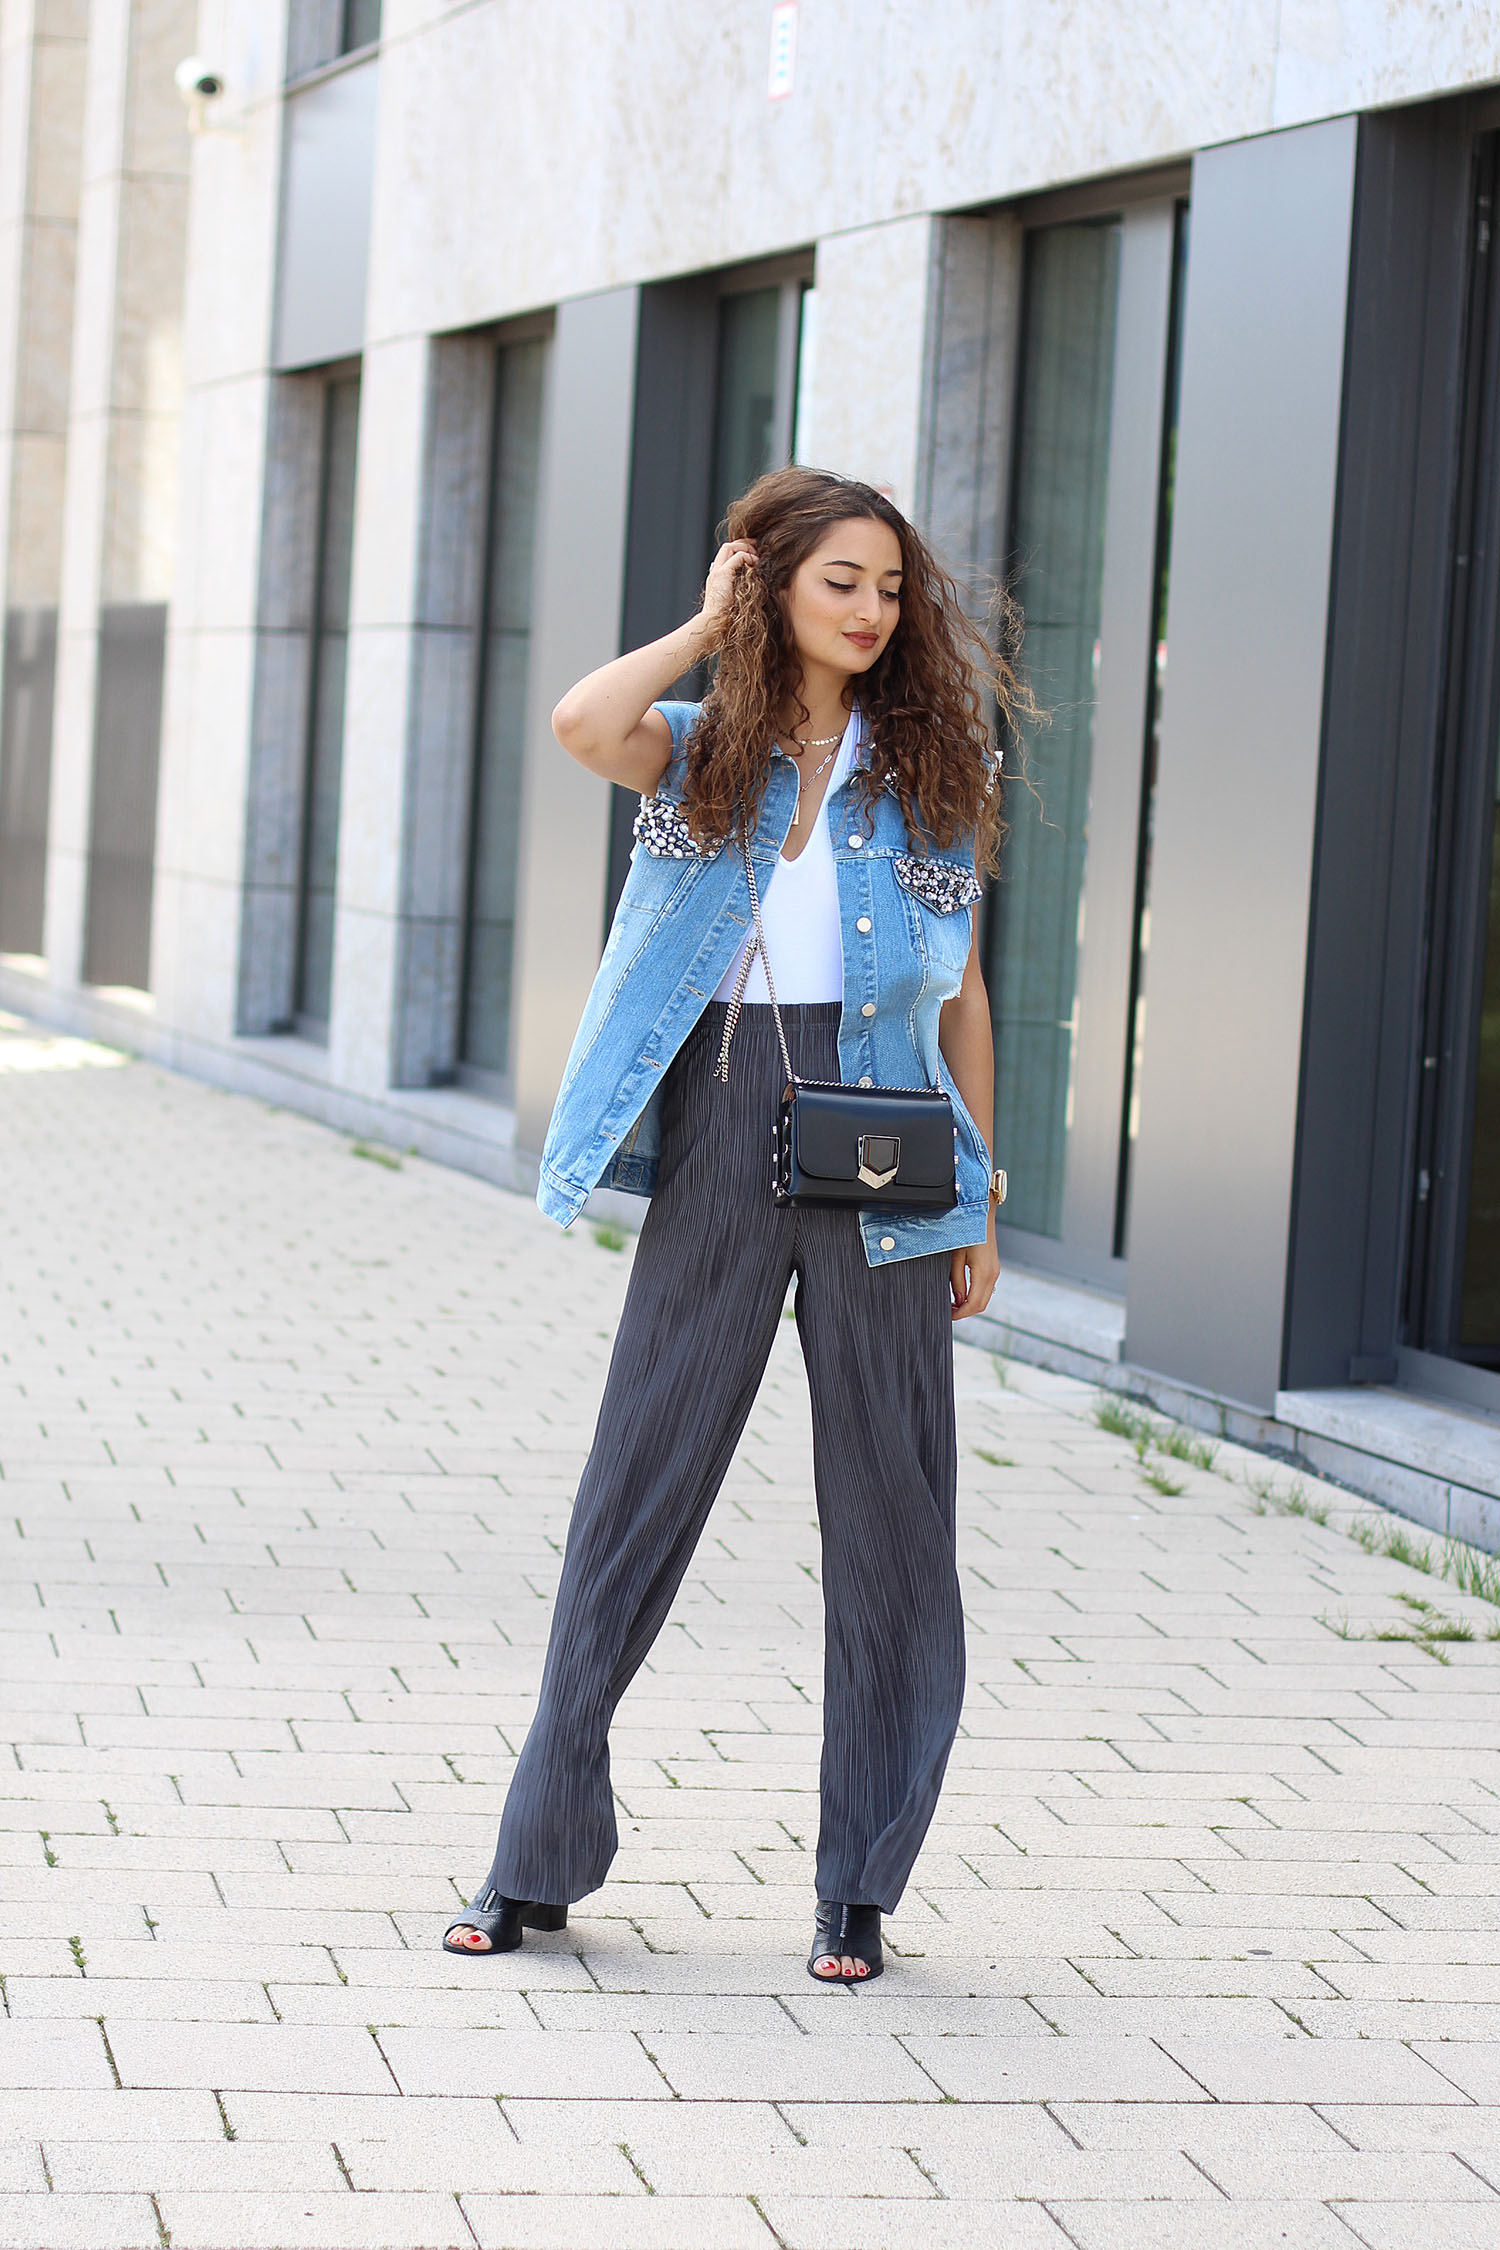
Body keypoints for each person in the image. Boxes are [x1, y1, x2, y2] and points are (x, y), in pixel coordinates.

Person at [444, 464, 1022, 1982]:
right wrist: (707, 628)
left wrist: (982, 1189)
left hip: (888, 1131)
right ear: (769, 583)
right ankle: (537, 1859)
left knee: (896, 1509)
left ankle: (858, 1887)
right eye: (840, 580)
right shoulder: (706, 747)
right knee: (638, 1473)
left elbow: (963, 996)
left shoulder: (937, 765)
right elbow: (580, 722)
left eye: (891, 587)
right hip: (722, 1109)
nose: (873, 610)